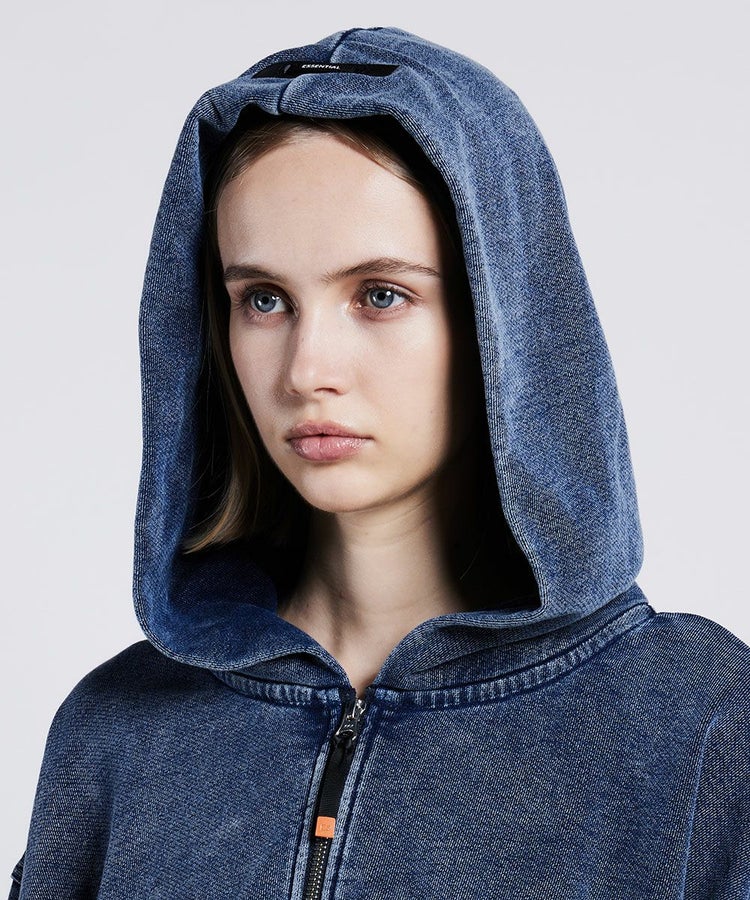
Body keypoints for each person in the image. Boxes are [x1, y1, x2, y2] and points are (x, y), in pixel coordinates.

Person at [9, 26, 749, 899]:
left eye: (381, 294)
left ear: (500, 314)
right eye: (264, 300)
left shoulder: (701, 725)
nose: (306, 370)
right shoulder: (115, 733)